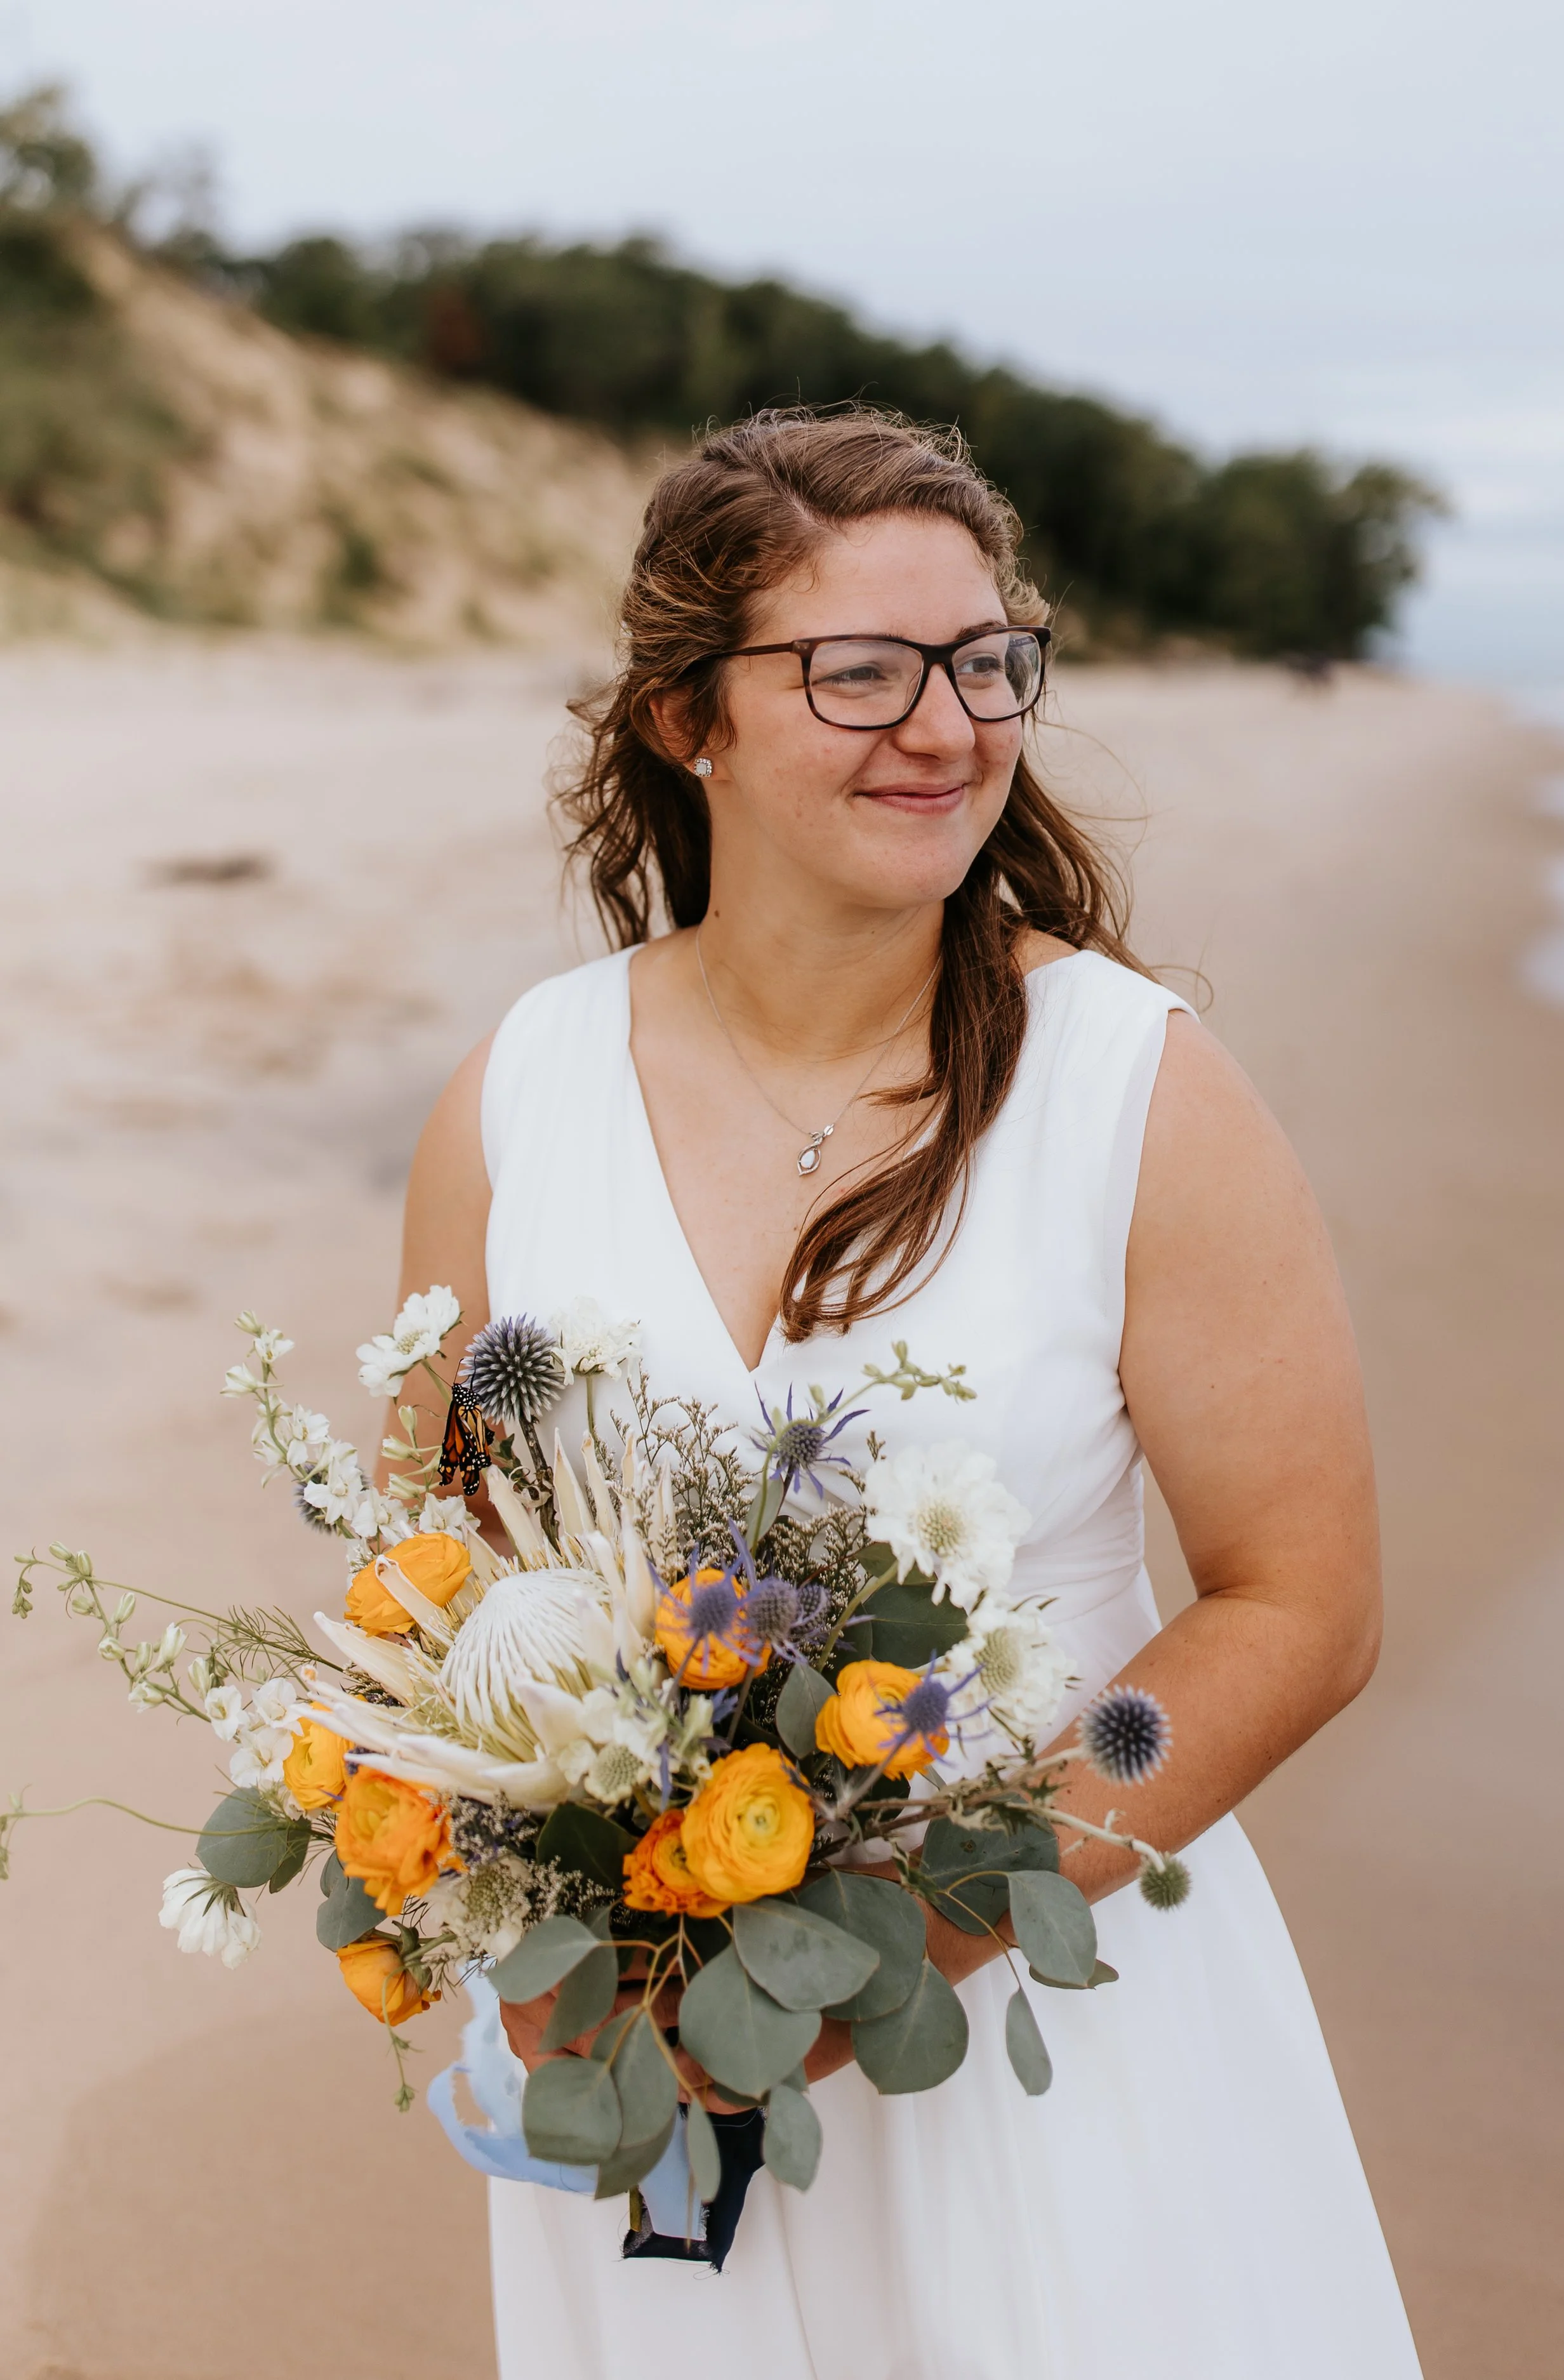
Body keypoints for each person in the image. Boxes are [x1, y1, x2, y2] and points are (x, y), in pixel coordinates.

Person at [395, 408, 1423, 2376]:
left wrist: (920, 1927)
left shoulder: (1130, 1087)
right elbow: (439, 1569)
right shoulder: (522, 1091)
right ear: (690, 718)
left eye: (985, 662)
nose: (942, 725)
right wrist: (522, 1933)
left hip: (1048, 2040)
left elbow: (1300, 1604)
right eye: (859, 672)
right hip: (644, 2067)